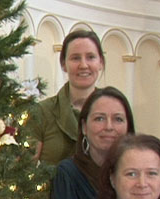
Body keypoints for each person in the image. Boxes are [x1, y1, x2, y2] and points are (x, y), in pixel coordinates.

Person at [52, 86, 135, 199]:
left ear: (128, 127)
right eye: (99, 118)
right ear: (84, 126)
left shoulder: (141, 174)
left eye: (118, 119)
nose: (109, 127)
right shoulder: (67, 174)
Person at [30, 30, 105, 164]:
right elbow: (25, 169)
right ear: (64, 64)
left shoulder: (114, 110)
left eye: (90, 57)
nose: (83, 65)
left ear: (101, 63)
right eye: (75, 58)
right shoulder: (41, 112)